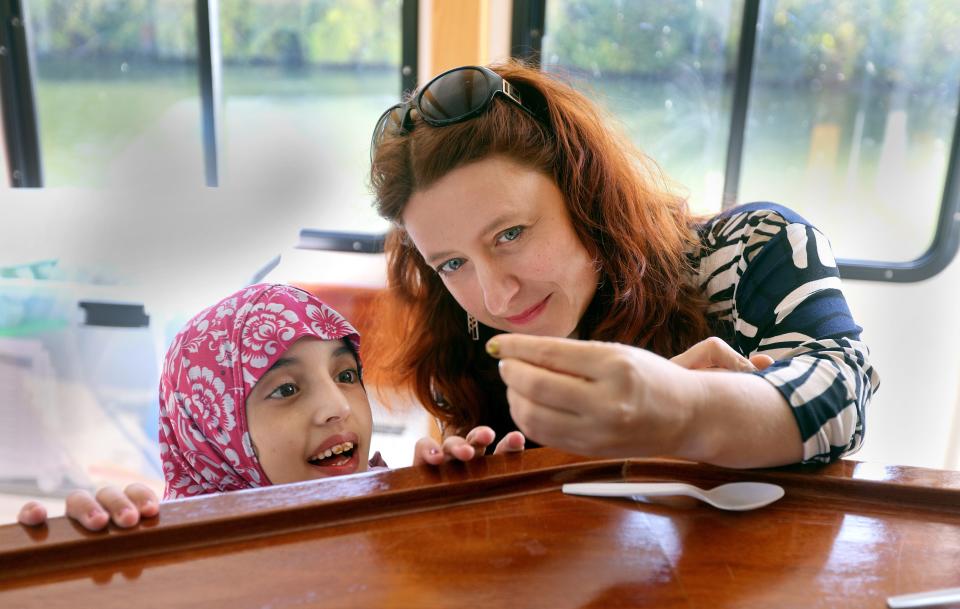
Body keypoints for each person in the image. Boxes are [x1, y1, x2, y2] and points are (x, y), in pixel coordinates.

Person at [364, 62, 880, 469]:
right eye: (452, 263)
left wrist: (683, 409)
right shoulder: (465, 342)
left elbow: (841, 395)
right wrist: (482, 489)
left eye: (510, 235)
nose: (498, 296)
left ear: (585, 194)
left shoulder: (753, 250)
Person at [18, 283, 524, 530]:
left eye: (346, 376)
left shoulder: (386, 504)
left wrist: (440, 525)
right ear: (212, 433)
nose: (335, 407)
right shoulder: (175, 557)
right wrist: (101, 568)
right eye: (285, 389)